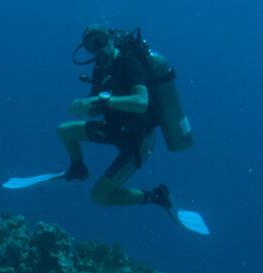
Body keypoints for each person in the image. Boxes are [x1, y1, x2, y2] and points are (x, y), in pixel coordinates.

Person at [57, 24, 180, 212]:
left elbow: (141, 102)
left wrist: (102, 101)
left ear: (111, 38)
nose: (97, 47)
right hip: (115, 129)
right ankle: (78, 168)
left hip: (138, 140)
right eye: (91, 45)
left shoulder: (129, 61)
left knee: (99, 196)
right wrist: (86, 107)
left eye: (100, 40)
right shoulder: (100, 68)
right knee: (65, 131)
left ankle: (157, 197)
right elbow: (98, 105)